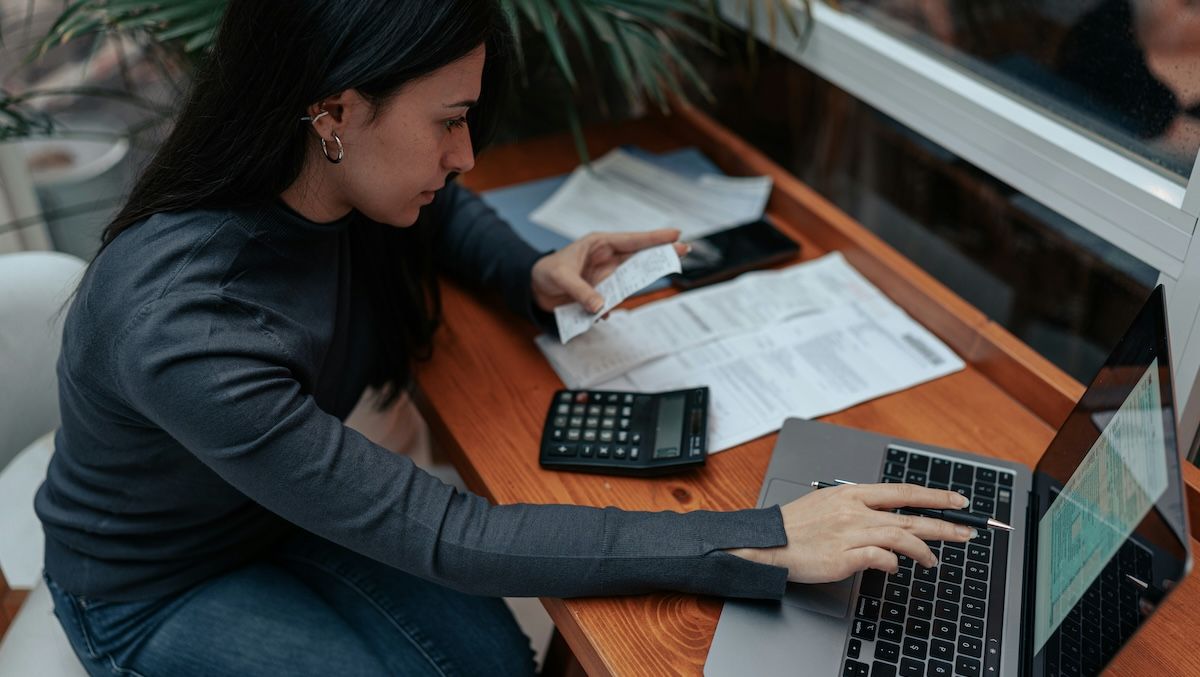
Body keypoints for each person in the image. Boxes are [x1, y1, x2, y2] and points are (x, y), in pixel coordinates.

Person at [35, 1, 977, 675]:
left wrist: (529, 273)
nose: (465, 155)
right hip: (148, 586)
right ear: (333, 113)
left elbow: (443, 214)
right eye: (449, 123)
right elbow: (452, 532)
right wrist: (763, 539)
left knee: (492, 653)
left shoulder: (324, 179)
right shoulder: (187, 322)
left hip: (268, 509)